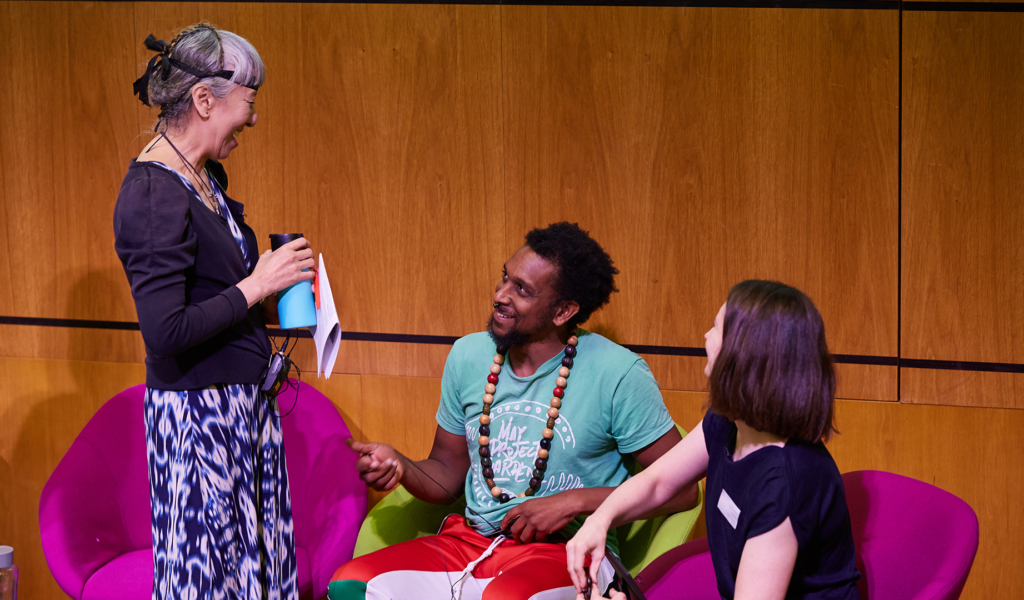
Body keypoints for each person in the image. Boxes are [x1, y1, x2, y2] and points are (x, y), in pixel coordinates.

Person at [330, 222, 700, 600]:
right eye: (504, 278)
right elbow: (446, 470)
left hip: (567, 552)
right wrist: (402, 466)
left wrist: (574, 503)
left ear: (562, 310)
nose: (501, 295)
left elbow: (682, 491)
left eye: (521, 290)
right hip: (470, 544)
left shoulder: (618, 372)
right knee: (351, 583)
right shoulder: (468, 356)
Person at [114, 23, 312, 600]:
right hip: (198, 424)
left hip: (241, 412)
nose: (253, 119)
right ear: (205, 99)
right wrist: (257, 286)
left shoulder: (206, 176)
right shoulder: (153, 194)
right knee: (209, 583)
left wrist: (280, 292)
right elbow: (166, 331)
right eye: (248, 103)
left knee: (255, 573)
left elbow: (214, 292)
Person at [567, 280, 861, 600]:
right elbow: (659, 482)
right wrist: (601, 519)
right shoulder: (728, 422)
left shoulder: (783, 485)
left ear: (744, 356)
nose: (706, 336)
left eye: (716, 327)